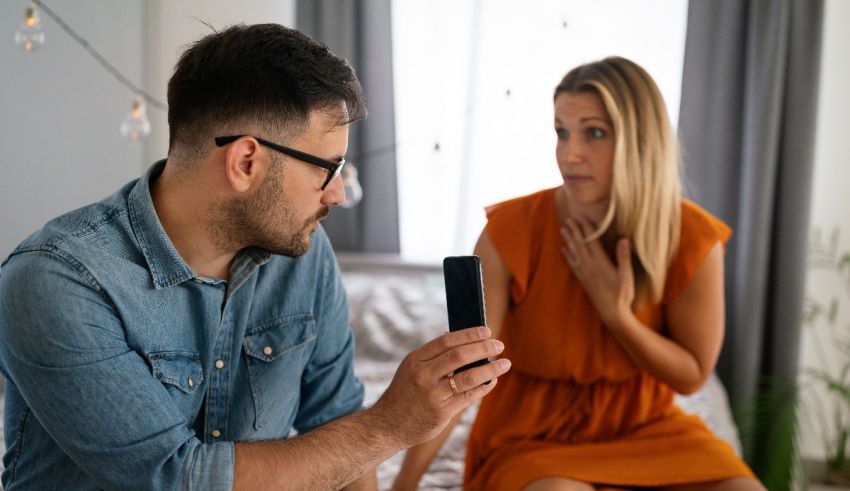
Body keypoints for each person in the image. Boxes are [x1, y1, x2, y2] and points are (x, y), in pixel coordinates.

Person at [0, 24, 511, 490]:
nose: (336, 195)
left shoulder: (303, 255)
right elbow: (174, 480)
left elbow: (337, 425)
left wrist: (379, 432)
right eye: (327, 169)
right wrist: (393, 424)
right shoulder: (54, 281)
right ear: (245, 161)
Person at [393, 56, 765, 491]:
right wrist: (405, 483)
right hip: (532, 440)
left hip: (647, 431)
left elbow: (691, 376)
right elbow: (461, 370)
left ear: (641, 141)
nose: (569, 153)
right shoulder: (510, 231)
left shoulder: (691, 237)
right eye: (561, 131)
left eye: (595, 133)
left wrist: (617, 315)